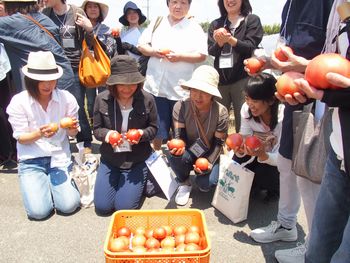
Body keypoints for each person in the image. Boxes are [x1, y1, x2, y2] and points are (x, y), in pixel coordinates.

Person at [247, 1, 334, 263]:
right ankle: (286, 225)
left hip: (319, 96)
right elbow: (286, 44)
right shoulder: (291, 4)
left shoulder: (326, 4)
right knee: (286, 162)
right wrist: (267, 61)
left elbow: (335, 55)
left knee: (310, 173)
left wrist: (305, 67)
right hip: (292, 94)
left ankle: (315, 247)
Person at [6, 51, 81, 220]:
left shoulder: (66, 98)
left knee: (68, 206)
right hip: (31, 159)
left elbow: (73, 133)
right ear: (31, 81)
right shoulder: (19, 102)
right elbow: (21, 138)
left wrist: (72, 128)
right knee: (38, 212)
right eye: (42, 81)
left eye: (52, 80)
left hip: (59, 158)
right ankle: (37, 183)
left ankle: (53, 186)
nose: (48, 85)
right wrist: (39, 133)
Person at [137, 0, 208, 151]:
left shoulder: (194, 27)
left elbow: (202, 55)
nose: (178, 6)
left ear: (189, 6)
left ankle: (179, 157)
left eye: (183, 2)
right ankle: (156, 155)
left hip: (179, 87)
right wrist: (154, 52)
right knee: (157, 125)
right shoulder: (158, 22)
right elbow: (141, 45)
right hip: (156, 85)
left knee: (180, 127)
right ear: (168, 4)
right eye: (174, 2)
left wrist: (180, 56)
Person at [93, 55, 158, 214]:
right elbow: (97, 129)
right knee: (102, 207)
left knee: (124, 209)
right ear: (113, 83)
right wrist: (108, 135)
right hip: (110, 159)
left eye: (132, 84)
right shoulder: (101, 99)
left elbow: (154, 128)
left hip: (137, 159)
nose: (127, 88)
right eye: (122, 84)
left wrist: (141, 133)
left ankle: (142, 181)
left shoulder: (147, 99)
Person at [167, 65, 228, 206]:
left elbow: (218, 143)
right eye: (194, 90)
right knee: (174, 155)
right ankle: (184, 181)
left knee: (206, 184)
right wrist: (178, 149)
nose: (198, 96)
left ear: (212, 94)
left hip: (210, 150)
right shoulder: (181, 106)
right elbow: (179, 136)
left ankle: (205, 176)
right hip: (188, 149)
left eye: (204, 92)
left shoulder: (221, 112)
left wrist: (209, 163)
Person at [42, 0, 94, 154]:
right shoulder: (45, 14)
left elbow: (89, 43)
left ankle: (85, 141)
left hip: (74, 66)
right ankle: (58, 139)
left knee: (76, 104)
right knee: (52, 103)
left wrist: (89, 28)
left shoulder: (76, 12)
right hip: (52, 66)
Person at [208, 0, 264, 132]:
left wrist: (230, 40)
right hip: (221, 80)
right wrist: (220, 43)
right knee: (218, 120)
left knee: (244, 118)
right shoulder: (216, 24)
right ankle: (218, 149)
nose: (230, 1)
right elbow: (211, 51)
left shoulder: (251, 20)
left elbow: (250, 46)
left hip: (243, 79)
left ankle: (242, 150)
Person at [0, 0, 74, 93]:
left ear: (10, 5)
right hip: (62, 76)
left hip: (43, 82)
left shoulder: (14, 22)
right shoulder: (43, 18)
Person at [230, 73, 283, 200]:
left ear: (271, 100)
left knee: (264, 174)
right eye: (247, 98)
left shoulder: (283, 117)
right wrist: (240, 149)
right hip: (255, 153)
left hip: (275, 160)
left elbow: (283, 158)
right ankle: (253, 186)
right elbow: (245, 136)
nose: (250, 104)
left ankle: (274, 189)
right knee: (236, 163)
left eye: (255, 100)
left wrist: (263, 155)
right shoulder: (246, 109)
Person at [81, 0, 119, 125]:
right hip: (87, 67)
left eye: (95, 7)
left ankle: (104, 123)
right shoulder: (80, 28)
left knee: (104, 97)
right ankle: (94, 123)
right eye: (90, 7)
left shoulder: (107, 30)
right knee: (90, 100)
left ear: (100, 11)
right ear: (85, 11)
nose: (92, 9)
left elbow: (111, 49)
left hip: (103, 68)